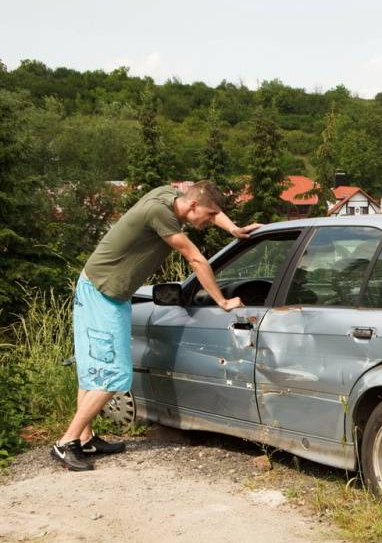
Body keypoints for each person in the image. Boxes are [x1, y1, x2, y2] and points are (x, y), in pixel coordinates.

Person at [51, 181, 260, 471]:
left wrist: (233, 229)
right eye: (210, 217)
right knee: (114, 374)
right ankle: (67, 442)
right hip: (100, 292)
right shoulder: (160, 213)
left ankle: (84, 439)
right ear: (192, 207)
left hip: (109, 292)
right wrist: (223, 302)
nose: (211, 222)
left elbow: (206, 196)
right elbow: (196, 259)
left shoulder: (175, 195)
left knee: (93, 368)